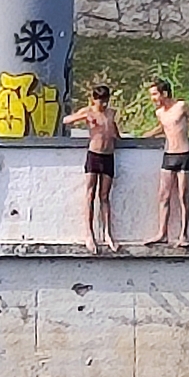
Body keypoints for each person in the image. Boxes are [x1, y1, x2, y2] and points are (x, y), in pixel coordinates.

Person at [142, 78, 189, 246]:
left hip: (183, 154)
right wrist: (147, 135)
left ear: (164, 93)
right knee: (164, 195)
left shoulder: (181, 106)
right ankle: (162, 233)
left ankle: (183, 235)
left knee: (183, 195)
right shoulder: (160, 113)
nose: (152, 98)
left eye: (154, 94)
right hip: (169, 155)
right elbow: (164, 127)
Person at [64, 84, 121, 254]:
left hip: (108, 155)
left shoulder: (110, 113)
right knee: (90, 194)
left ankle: (107, 233)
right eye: (99, 101)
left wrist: (117, 135)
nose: (102, 105)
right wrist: (85, 118)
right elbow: (66, 120)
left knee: (104, 196)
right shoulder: (89, 111)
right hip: (94, 155)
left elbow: (114, 130)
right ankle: (89, 233)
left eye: (105, 101)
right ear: (93, 99)